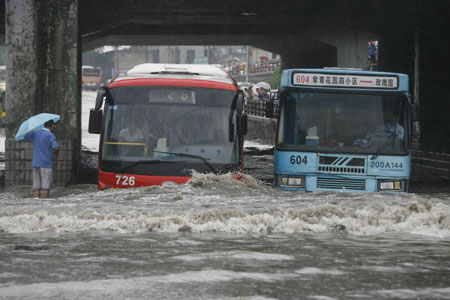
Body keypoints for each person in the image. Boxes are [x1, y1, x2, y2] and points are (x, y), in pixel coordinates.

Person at [25, 120, 59, 198]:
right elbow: (56, 147)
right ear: (52, 126)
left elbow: (26, 136)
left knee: (36, 186)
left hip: (36, 163)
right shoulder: (50, 135)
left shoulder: (36, 133)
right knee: (46, 187)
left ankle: (36, 204)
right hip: (46, 163)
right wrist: (57, 152)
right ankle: (44, 205)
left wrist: (32, 130)